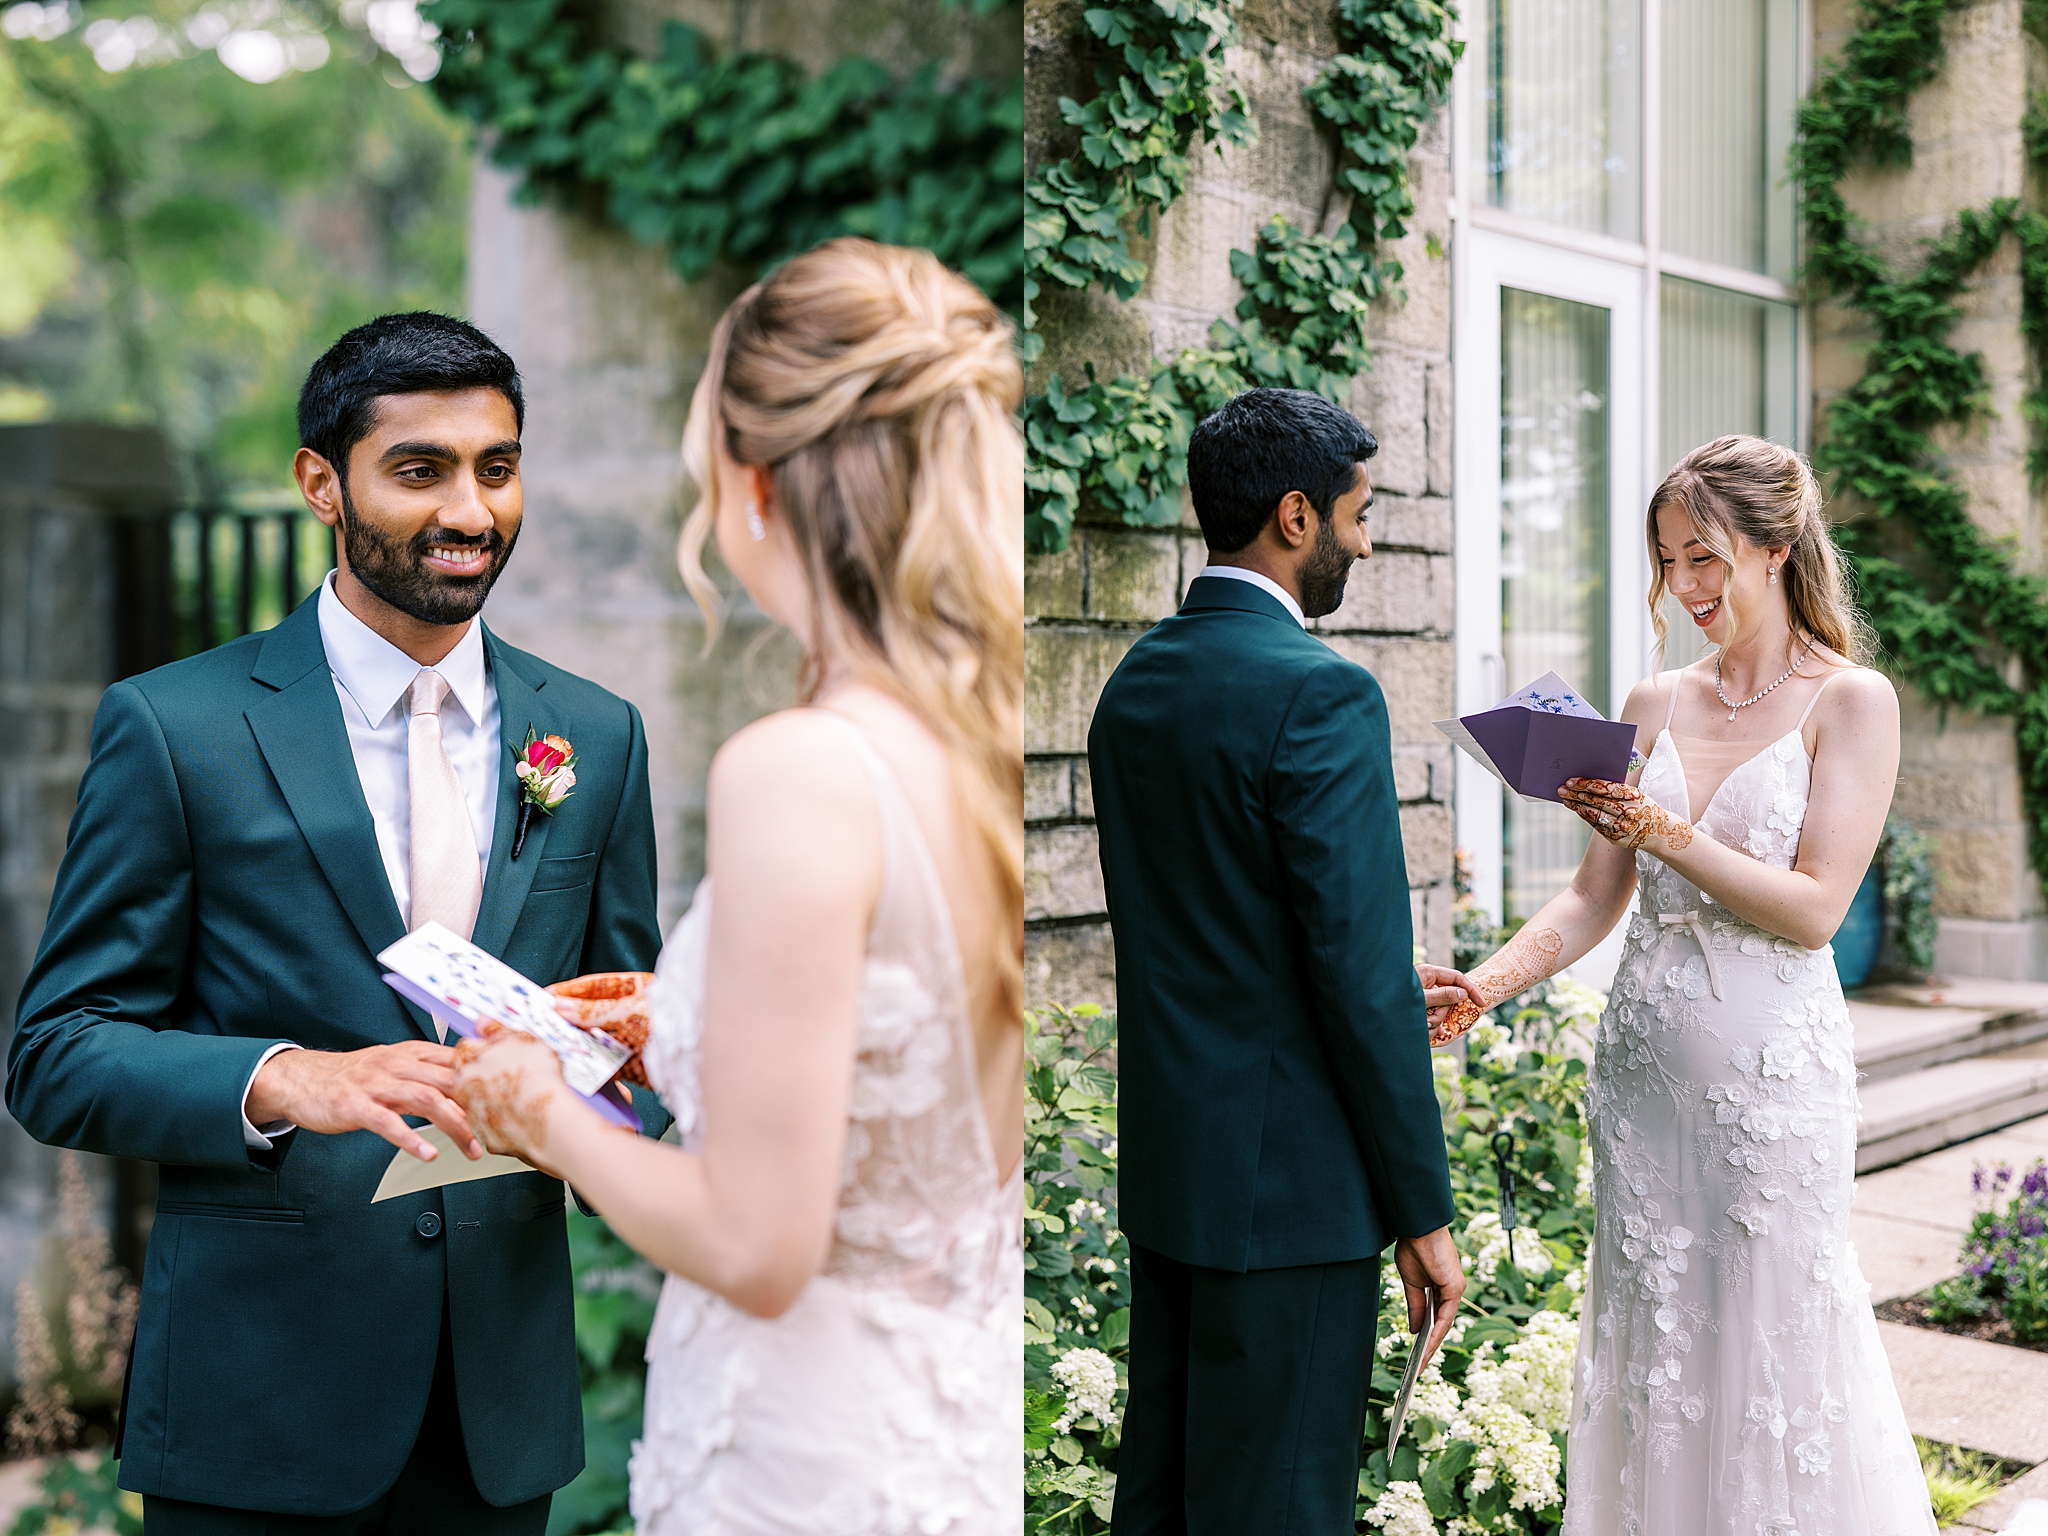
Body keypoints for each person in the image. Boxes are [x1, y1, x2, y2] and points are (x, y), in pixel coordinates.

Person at [9, 312, 671, 1531]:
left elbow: (633, 1035)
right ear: (322, 482)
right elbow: (57, 1054)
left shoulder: (596, 732)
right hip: (254, 1408)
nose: (470, 511)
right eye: (419, 471)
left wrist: (636, 1071)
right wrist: (285, 1079)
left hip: (497, 1415)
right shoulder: (177, 727)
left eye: (497, 467)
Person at [449, 237, 1025, 1535]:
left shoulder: (803, 767)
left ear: (753, 482)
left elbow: (762, 1248)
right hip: (949, 1426)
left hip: (804, 1455)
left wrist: (539, 1108)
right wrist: (694, 1026)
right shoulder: (985, 748)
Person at [1437, 434, 1936, 1536]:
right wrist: (1486, 983)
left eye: (1702, 558)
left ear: (1772, 548)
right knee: (1654, 1341)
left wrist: (1663, 830)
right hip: (1641, 1090)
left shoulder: (1852, 702)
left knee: (1767, 1341)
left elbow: (1812, 910)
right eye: (1667, 562)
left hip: (1771, 1092)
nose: (1683, 587)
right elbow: (1589, 897)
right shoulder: (1651, 700)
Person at [1085, 386, 1472, 1534]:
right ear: (1294, 518)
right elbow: (1352, 982)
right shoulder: (1321, 692)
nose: (1364, 540)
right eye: (1356, 515)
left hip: (1175, 1182)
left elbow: (1210, 926)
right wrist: (1425, 1216)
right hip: (1293, 1199)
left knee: (1164, 1502)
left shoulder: (1132, 688)